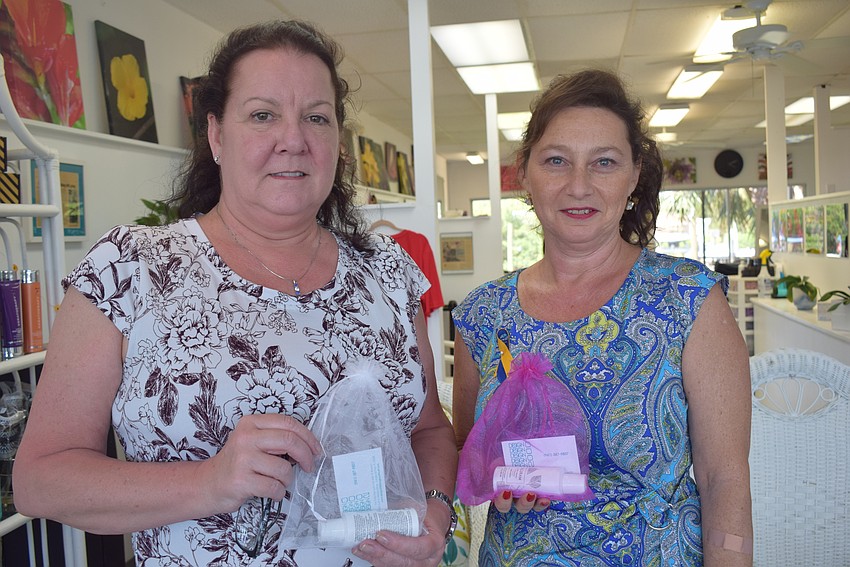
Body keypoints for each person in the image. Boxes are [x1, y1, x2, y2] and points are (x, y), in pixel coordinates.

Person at [13, 20, 457, 567]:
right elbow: (39, 479)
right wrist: (208, 481)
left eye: (316, 117)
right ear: (217, 135)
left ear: (337, 142)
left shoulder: (390, 273)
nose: (293, 138)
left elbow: (431, 429)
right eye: (263, 114)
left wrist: (435, 515)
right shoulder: (130, 269)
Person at [452, 69, 752, 567]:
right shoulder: (485, 314)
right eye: (556, 161)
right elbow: (471, 449)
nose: (578, 185)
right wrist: (496, 473)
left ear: (634, 175)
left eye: (604, 162)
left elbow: (725, 481)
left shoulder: (688, 299)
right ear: (524, 174)